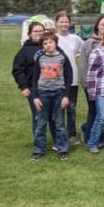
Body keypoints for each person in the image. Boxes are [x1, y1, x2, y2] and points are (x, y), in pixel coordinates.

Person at [30, 32, 73, 161]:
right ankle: (38, 150)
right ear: (42, 46)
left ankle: (63, 150)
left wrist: (66, 96)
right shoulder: (40, 58)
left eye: (50, 42)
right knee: (41, 123)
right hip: (43, 94)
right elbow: (35, 78)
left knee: (59, 124)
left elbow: (68, 78)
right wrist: (35, 97)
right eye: (45, 43)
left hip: (59, 94)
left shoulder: (62, 58)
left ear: (55, 43)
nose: (48, 45)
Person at [78, 16, 104, 141]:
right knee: (94, 111)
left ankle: (94, 132)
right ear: (97, 26)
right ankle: (89, 136)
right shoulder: (89, 44)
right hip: (92, 85)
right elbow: (83, 65)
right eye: (102, 24)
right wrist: (87, 85)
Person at [13, 22, 47, 137]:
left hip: (51, 87)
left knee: (53, 117)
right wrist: (23, 86)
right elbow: (18, 70)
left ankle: (57, 143)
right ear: (29, 34)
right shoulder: (24, 51)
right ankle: (39, 144)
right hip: (33, 89)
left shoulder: (49, 46)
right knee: (38, 116)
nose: (39, 33)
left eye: (41, 31)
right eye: (36, 31)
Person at [53, 12, 83, 145]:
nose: (64, 24)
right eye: (61, 22)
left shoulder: (75, 38)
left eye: (66, 22)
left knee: (71, 108)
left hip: (73, 79)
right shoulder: (53, 38)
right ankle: (59, 135)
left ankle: (72, 134)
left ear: (70, 23)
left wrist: (77, 55)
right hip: (56, 79)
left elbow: (85, 48)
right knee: (58, 109)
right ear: (57, 23)